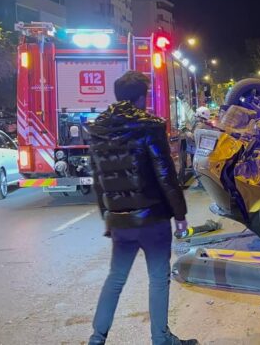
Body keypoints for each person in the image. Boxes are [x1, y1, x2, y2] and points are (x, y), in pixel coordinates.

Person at [87, 71, 196, 345]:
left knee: (115, 278)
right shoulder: (149, 126)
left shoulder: (99, 129)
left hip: (120, 221)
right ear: (140, 97)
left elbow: (99, 178)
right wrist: (180, 214)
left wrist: (108, 217)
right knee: (158, 278)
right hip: (152, 219)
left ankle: (97, 338)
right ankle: (161, 339)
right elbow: (164, 172)